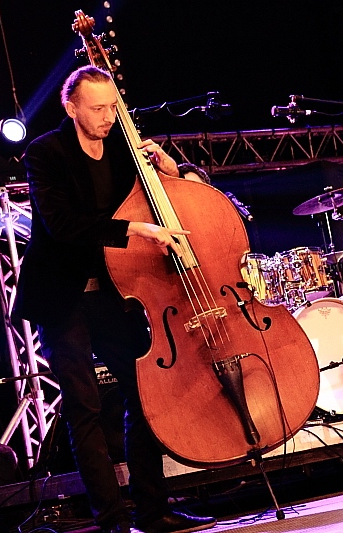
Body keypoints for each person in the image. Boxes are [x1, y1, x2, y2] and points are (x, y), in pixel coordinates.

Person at [13, 65, 216, 533]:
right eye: (98, 108)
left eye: (112, 107)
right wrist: (133, 230)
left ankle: (153, 509)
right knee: (84, 407)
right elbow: (61, 227)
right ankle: (112, 521)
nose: (109, 117)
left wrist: (175, 171)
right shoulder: (46, 152)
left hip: (115, 292)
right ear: (72, 107)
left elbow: (166, 202)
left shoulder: (125, 150)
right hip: (63, 297)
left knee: (144, 395)